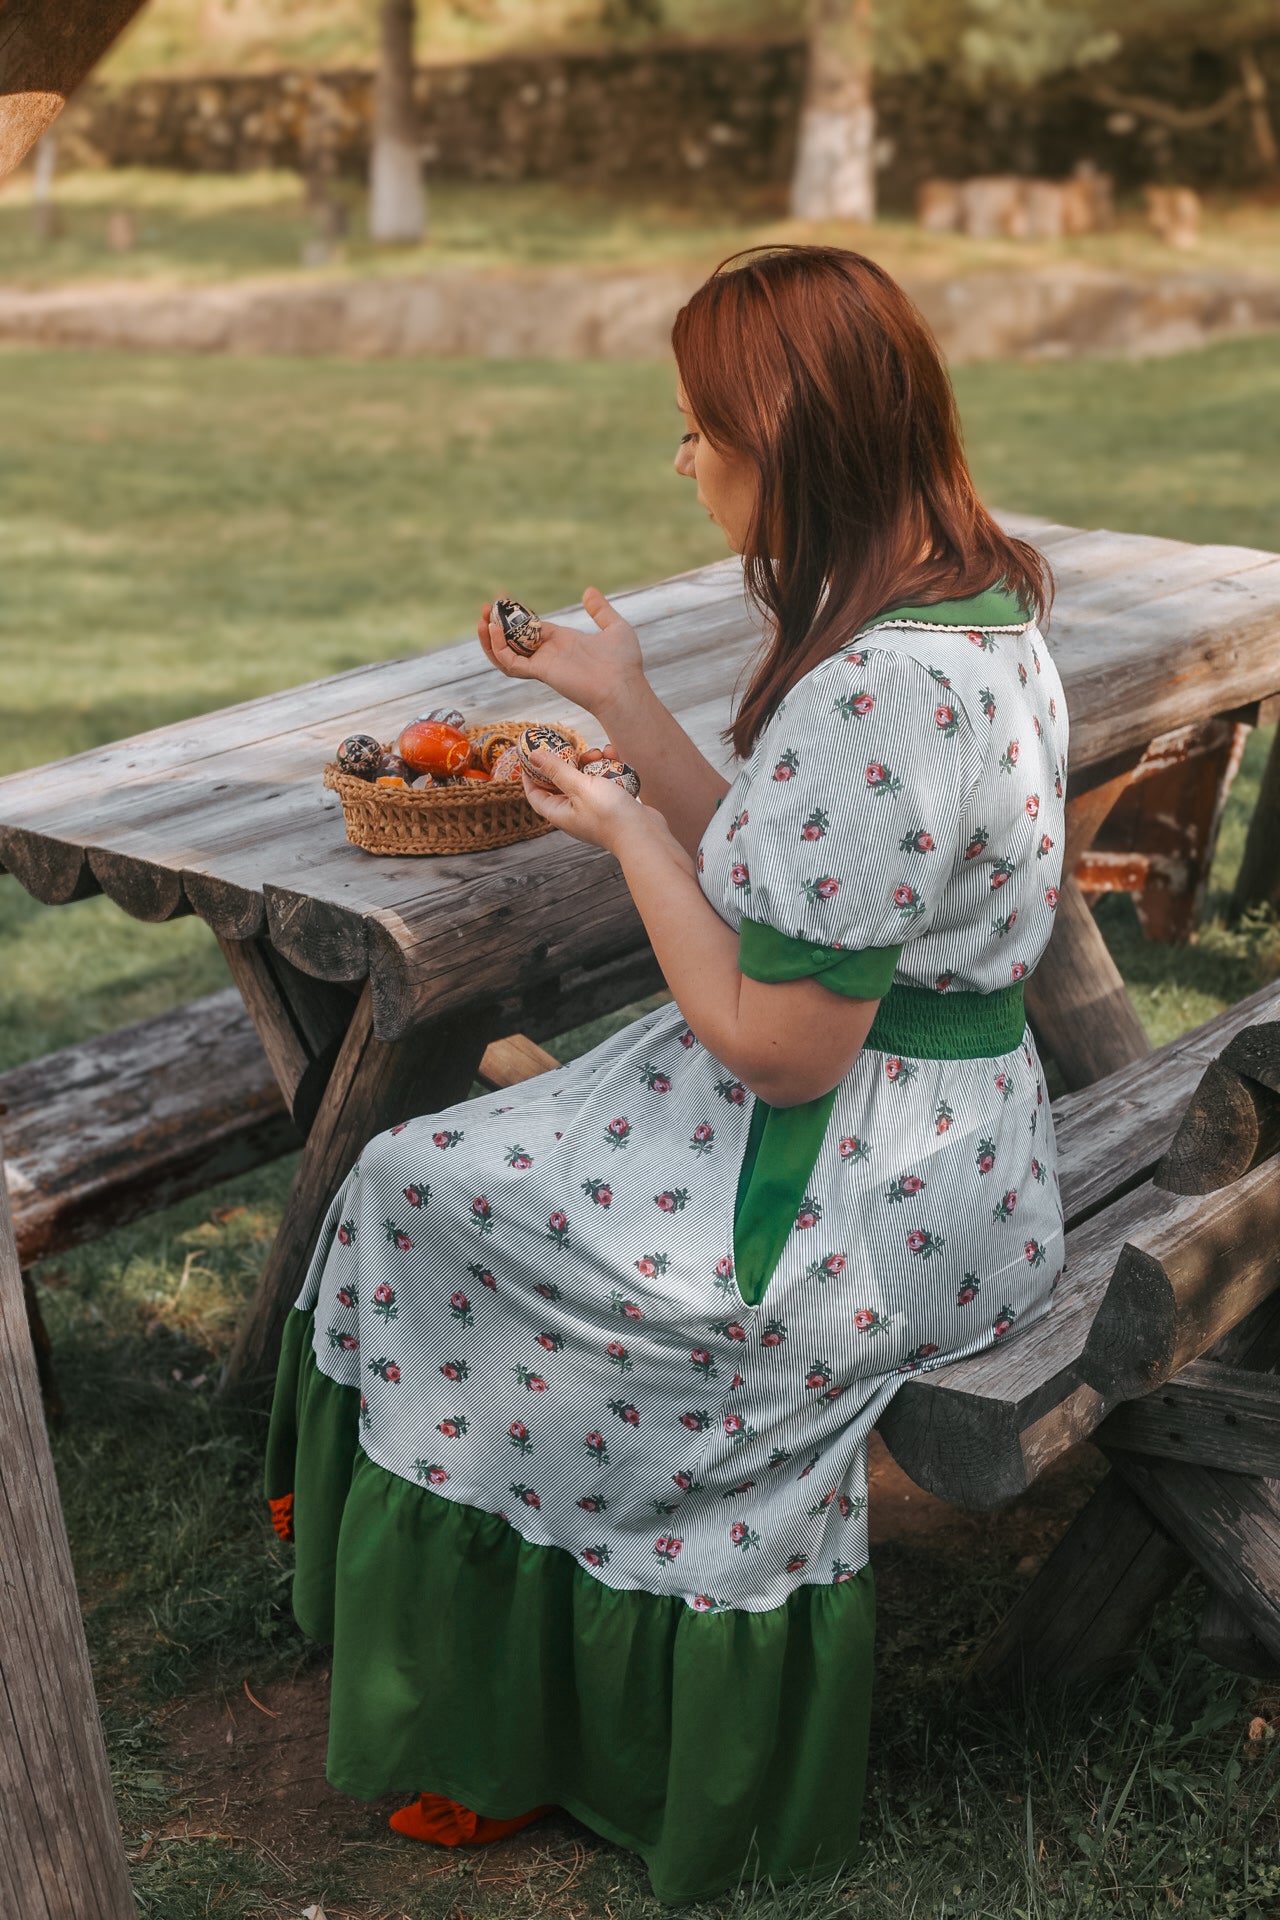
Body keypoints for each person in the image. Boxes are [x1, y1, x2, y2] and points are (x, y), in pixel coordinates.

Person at [265, 244, 1067, 1904]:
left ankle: (501, 1710)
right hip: (954, 1151)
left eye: (701, 428)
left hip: (842, 1200)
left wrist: (622, 823)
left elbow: (776, 1043)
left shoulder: (883, 693)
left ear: (792, 436)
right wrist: (626, 700)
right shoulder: (963, 604)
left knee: (422, 1188)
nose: (682, 458)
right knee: (462, 1157)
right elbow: (799, 887)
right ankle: (457, 1610)